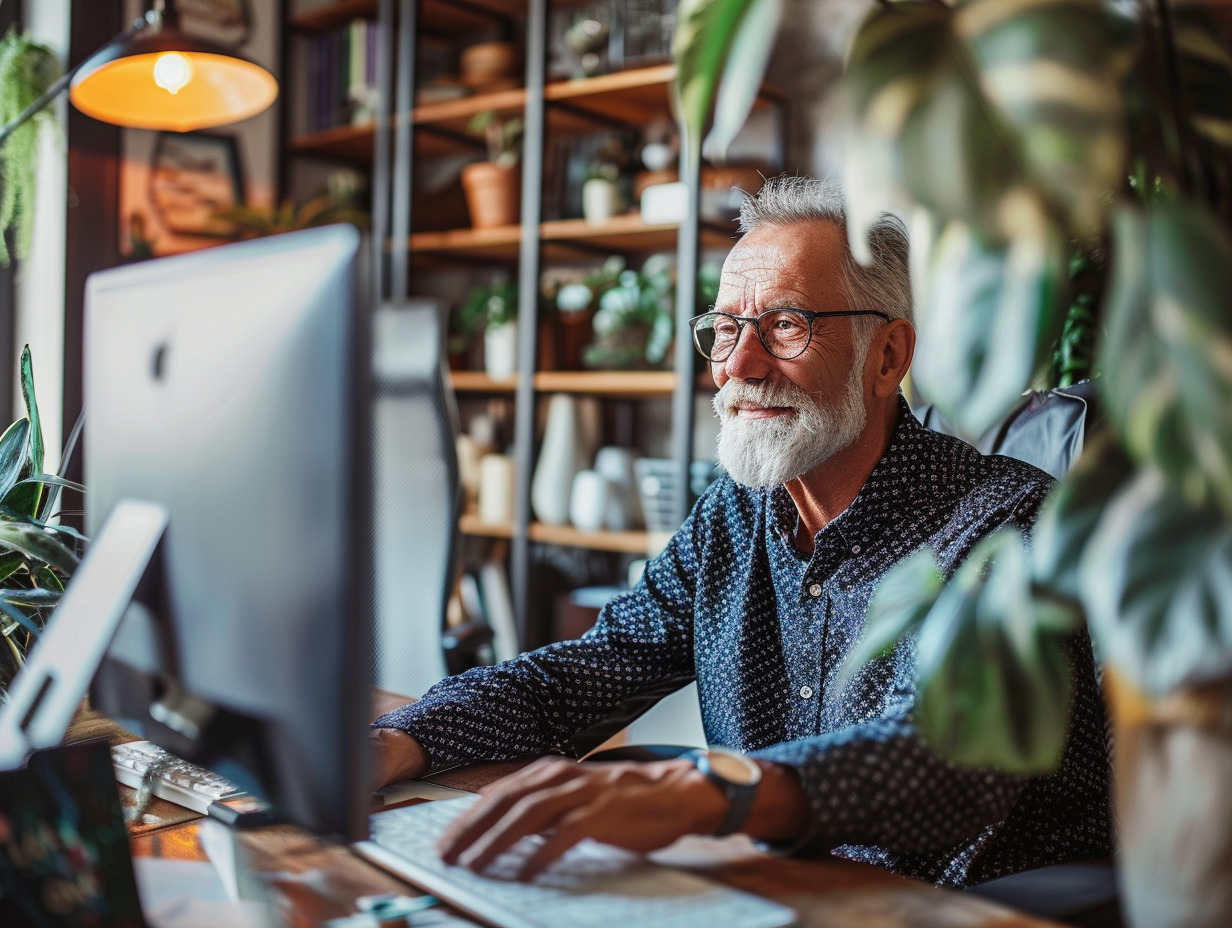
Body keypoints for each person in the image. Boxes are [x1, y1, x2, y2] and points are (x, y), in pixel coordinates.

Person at [371, 175, 1111, 888]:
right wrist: (403, 741)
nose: (739, 366)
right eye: (725, 330)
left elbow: (949, 752)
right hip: (774, 891)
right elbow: (591, 669)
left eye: (787, 325)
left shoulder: (1005, 524)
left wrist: (712, 792)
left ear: (888, 357)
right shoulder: (736, 511)